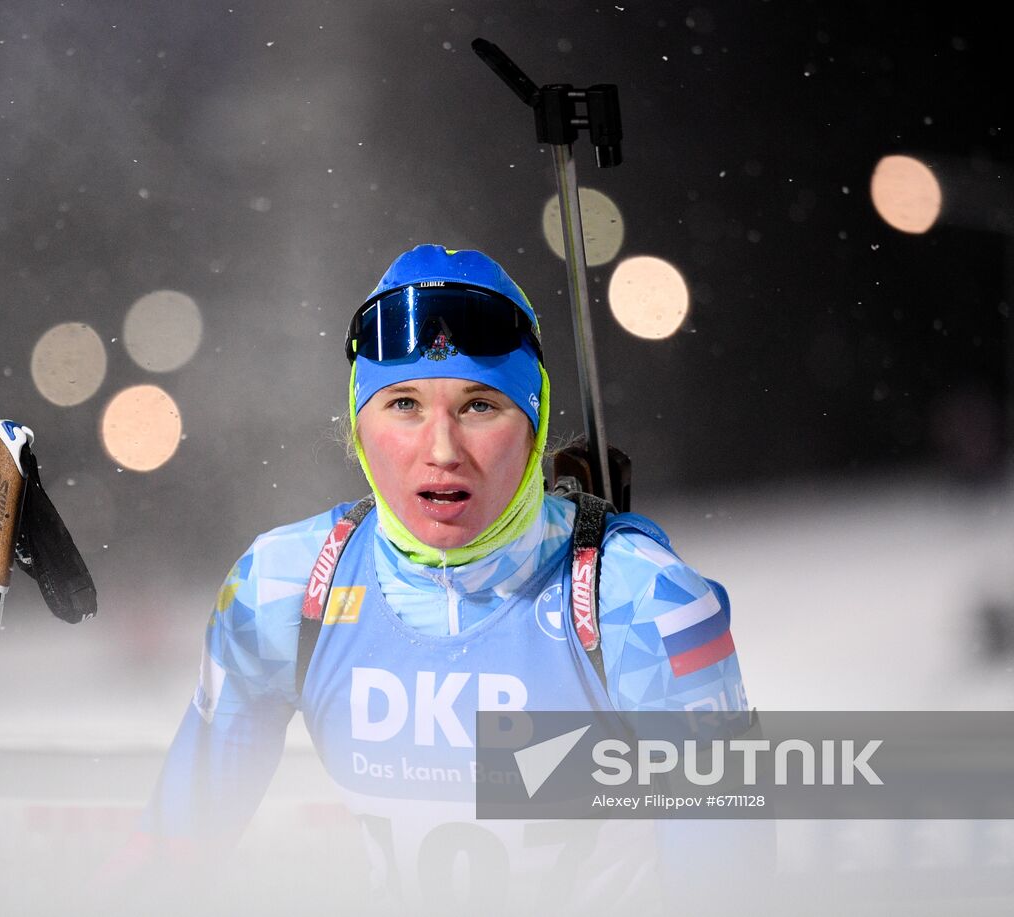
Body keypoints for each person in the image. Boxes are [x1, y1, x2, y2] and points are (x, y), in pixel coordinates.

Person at [118, 244, 749, 912]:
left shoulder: (638, 600)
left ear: (532, 427)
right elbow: (169, 855)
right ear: (358, 425)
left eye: (480, 406)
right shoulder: (285, 586)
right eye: (404, 405)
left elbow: (731, 882)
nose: (443, 450)